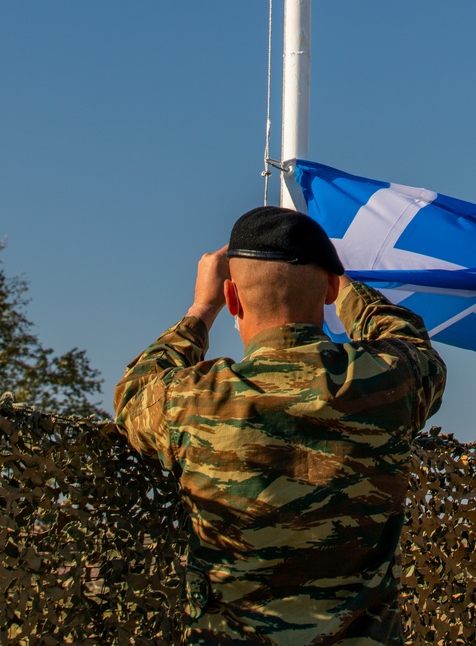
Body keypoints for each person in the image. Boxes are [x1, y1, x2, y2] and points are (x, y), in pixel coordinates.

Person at [115, 206, 447, 646]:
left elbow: (133, 393)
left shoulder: (189, 400)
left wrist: (201, 309)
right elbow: (410, 342)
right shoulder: (390, 379)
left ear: (232, 297)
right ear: (328, 289)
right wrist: (343, 283)